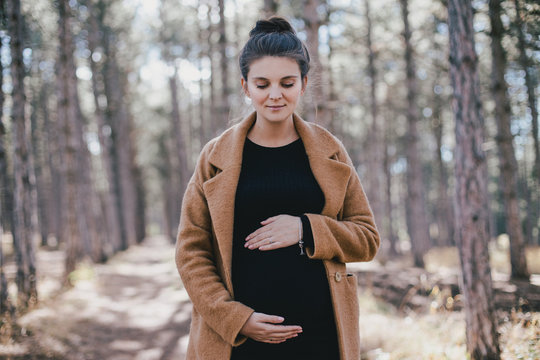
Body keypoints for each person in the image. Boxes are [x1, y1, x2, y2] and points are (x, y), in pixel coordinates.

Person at [175, 16, 380, 360]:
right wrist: (236, 319)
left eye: (287, 83)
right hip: (237, 343)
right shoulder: (214, 158)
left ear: (302, 84)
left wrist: (306, 228)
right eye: (262, 84)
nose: (275, 95)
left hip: (321, 336)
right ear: (245, 86)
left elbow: (367, 239)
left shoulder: (330, 150)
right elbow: (191, 252)